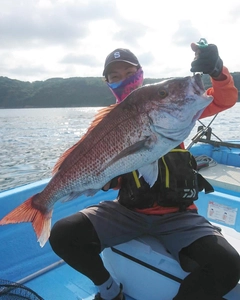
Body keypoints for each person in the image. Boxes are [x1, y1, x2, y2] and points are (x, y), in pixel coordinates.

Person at [49, 43, 240, 300]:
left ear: (140, 73)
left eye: (128, 73)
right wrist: (104, 180)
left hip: (179, 216)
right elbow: (110, 172)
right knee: (62, 234)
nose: (122, 80)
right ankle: (109, 289)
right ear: (107, 83)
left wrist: (217, 70)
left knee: (228, 264)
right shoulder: (106, 124)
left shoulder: (168, 104)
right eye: (114, 76)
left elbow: (224, 98)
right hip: (127, 211)